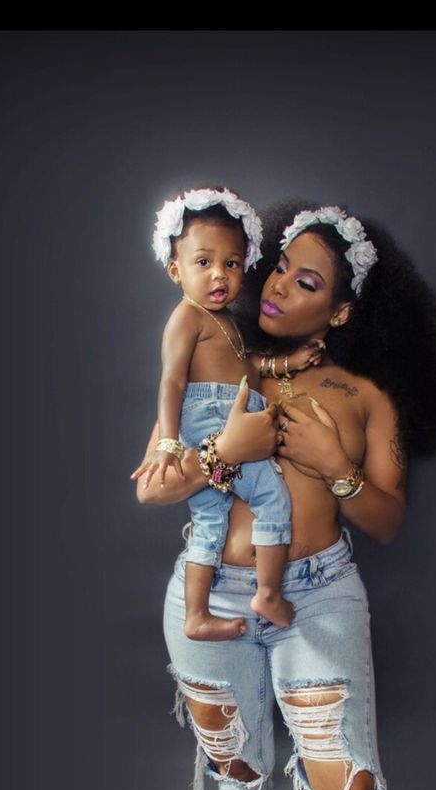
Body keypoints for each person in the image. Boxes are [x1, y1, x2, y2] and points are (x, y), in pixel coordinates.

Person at [132, 197, 436, 790]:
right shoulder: (218, 354)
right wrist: (224, 448)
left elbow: (385, 517)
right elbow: (153, 487)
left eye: (307, 279)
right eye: (279, 265)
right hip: (210, 588)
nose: (278, 285)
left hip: (314, 597)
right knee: (235, 758)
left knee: (342, 776)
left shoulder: (362, 396)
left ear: (343, 307)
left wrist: (335, 465)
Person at [135, 184, 323, 641]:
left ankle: (196, 614)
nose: (219, 274)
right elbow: (173, 381)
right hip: (215, 419)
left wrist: (285, 363)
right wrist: (167, 441)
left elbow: (245, 365)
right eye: (204, 263)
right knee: (273, 500)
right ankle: (268, 593)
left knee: (210, 522)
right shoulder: (187, 316)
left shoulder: (225, 321)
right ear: (175, 269)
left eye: (232, 263)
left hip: (226, 410)